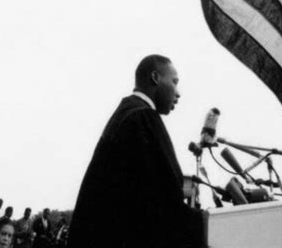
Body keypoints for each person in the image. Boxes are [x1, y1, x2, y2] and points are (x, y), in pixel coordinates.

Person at [67, 54, 205, 248]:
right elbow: (166, 197)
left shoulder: (127, 113)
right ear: (155, 77)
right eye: (174, 82)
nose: (178, 92)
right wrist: (207, 222)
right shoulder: (143, 117)